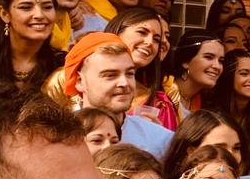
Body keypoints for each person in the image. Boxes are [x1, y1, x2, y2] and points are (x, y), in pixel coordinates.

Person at [61, 32, 174, 160]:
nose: (124, 83)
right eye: (110, 75)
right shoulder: (57, 137)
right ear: (80, 81)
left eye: (129, 74)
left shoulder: (160, 141)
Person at [0, 0, 63, 91]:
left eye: (47, 7)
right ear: (5, 14)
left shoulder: (64, 66)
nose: (39, 15)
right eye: (26, 7)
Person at [160, 31, 226, 128]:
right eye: (208, 57)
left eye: (221, 61)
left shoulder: (206, 102)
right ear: (186, 62)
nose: (217, 66)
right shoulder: (161, 95)